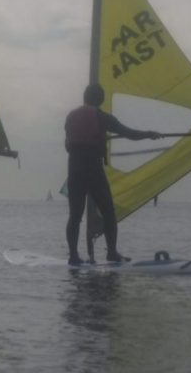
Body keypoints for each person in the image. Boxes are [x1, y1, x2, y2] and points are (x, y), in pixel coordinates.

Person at [65, 83, 160, 266]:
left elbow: (69, 142)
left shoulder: (70, 116)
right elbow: (129, 133)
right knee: (108, 212)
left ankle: (73, 256)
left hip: (74, 167)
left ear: (85, 97)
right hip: (92, 168)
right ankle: (111, 253)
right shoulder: (102, 117)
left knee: (75, 215)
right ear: (100, 100)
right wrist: (149, 134)